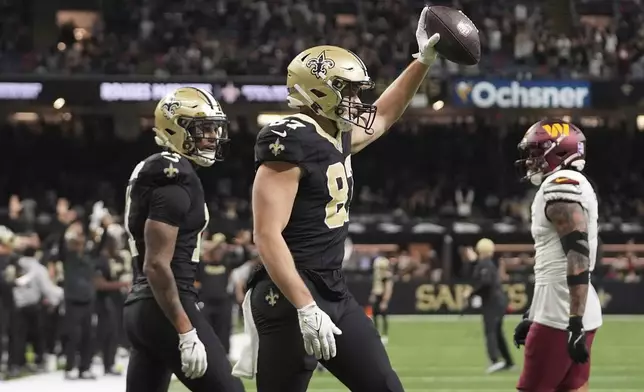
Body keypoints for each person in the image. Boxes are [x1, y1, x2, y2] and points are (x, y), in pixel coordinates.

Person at [232, 7, 441, 392]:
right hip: (289, 296)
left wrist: (422, 62)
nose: (358, 99)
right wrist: (305, 306)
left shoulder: (336, 132)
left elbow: (383, 116)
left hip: (333, 289)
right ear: (317, 90)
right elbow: (266, 236)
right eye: (348, 90)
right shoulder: (290, 138)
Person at [121, 87, 244, 392]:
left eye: (214, 128)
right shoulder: (173, 177)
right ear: (175, 128)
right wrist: (185, 329)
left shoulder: (160, 170)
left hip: (144, 306)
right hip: (163, 304)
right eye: (202, 128)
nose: (212, 136)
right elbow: (156, 264)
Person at [513, 119, 603, 392]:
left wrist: (572, 323)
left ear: (559, 151)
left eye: (536, 152)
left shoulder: (559, 184)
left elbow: (577, 253)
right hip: (575, 309)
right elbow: (556, 261)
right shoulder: (575, 182)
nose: (530, 161)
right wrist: (533, 312)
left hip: (560, 315)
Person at [466, 238, 514, 373]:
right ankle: (508, 361)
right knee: (497, 332)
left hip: (492, 303)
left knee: (491, 331)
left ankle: (495, 360)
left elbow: (484, 283)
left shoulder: (484, 264)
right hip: (497, 302)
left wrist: (471, 292)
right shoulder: (486, 263)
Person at [369, 256, 394, 345]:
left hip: (382, 296)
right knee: (375, 315)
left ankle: (384, 335)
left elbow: (388, 289)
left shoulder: (387, 276)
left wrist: (385, 301)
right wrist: (373, 294)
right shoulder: (378, 275)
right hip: (377, 295)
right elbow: (376, 285)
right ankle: (376, 333)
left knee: (383, 316)